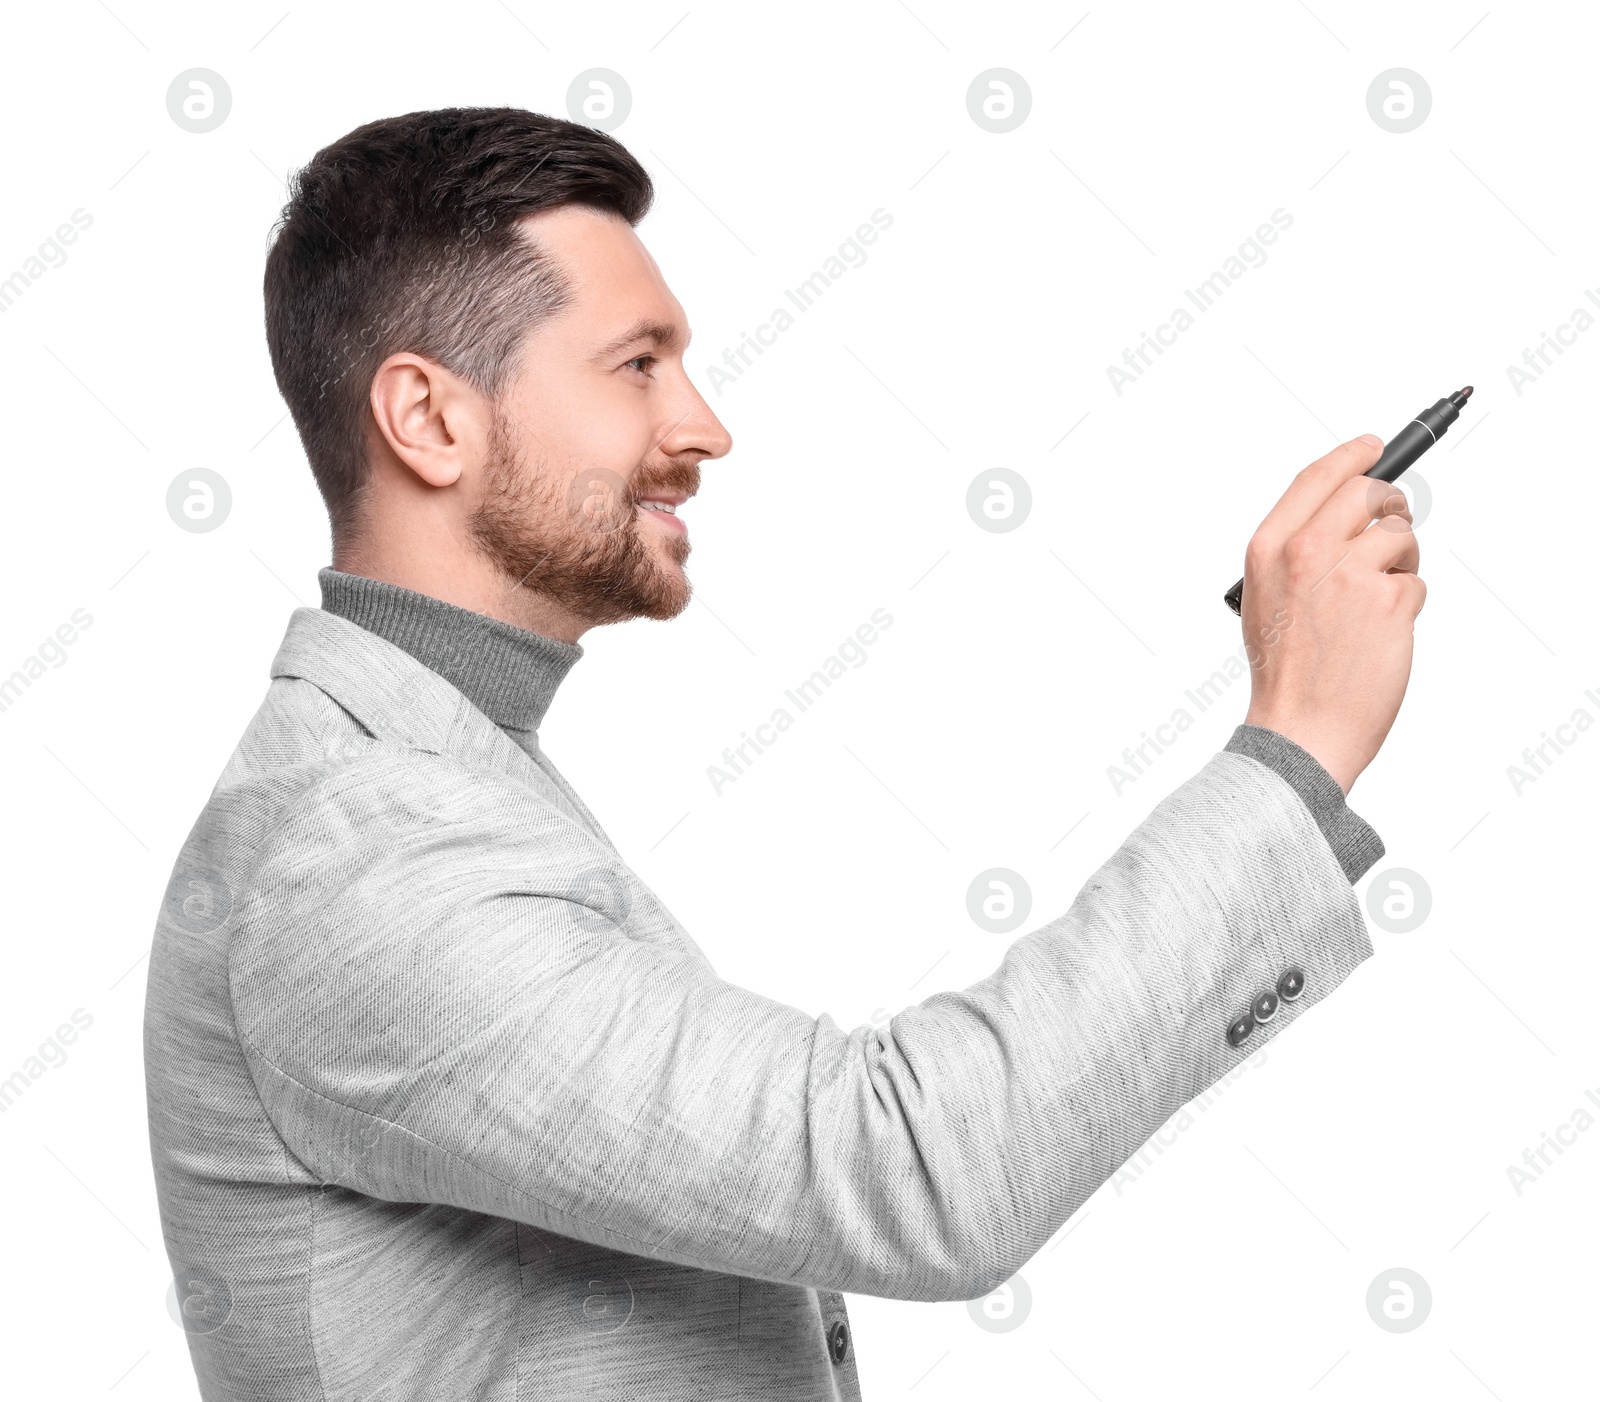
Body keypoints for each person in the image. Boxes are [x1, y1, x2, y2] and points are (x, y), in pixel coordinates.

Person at [145, 107, 1424, 1400]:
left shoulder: (437, 773)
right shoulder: (360, 851)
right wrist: (1296, 742)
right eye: (638, 363)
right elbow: (907, 1162)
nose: (703, 427)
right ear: (428, 418)